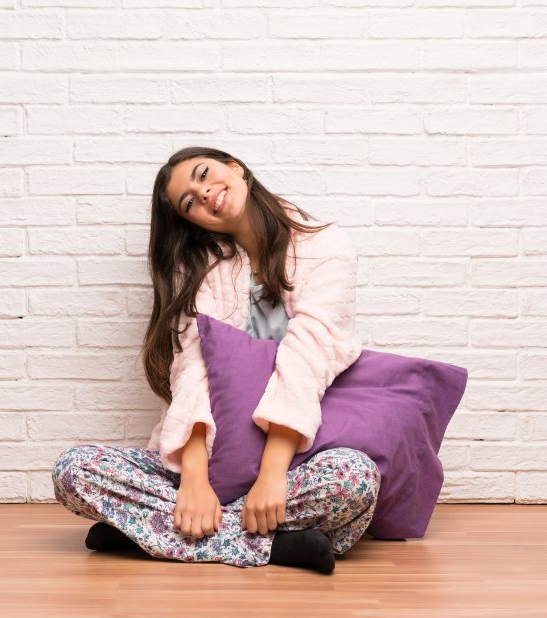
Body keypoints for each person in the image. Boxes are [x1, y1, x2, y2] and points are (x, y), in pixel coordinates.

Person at [52, 146, 380, 574]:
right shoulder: (199, 265)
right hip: (204, 456)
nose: (204, 194)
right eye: (189, 202)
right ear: (193, 222)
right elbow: (193, 370)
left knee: (356, 478)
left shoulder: (327, 246)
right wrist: (194, 479)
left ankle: (154, 534)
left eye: (204, 175)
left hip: (295, 460)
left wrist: (272, 475)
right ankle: (275, 545)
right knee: (73, 470)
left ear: (235, 168)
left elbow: (307, 361)